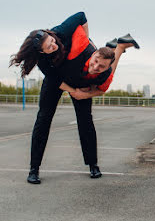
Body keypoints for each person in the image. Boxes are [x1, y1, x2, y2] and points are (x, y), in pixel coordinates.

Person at [9, 12, 139, 184]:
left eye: (52, 41)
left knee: (85, 120)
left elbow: (81, 16)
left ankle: (93, 164)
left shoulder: (62, 34)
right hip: (59, 81)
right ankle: (34, 169)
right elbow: (56, 81)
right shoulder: (42, 60)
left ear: (51, 35)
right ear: (41, 51)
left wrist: (86, 41)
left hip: (80, 78)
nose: (53, 45)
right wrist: (74, 91)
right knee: (43, 119)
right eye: (49, 47)